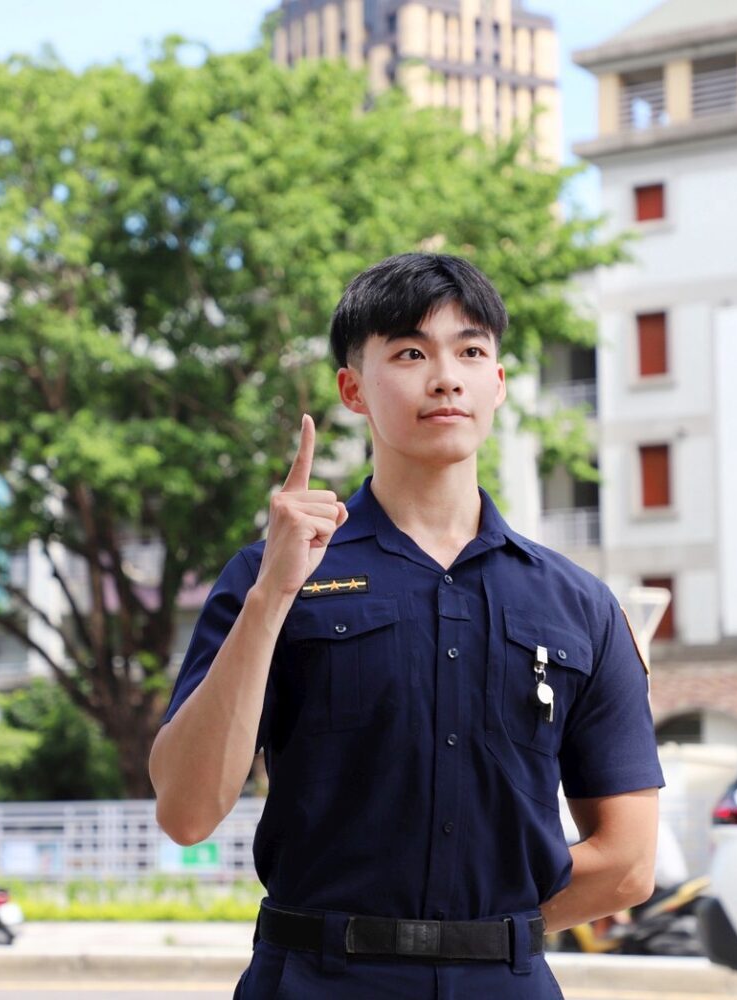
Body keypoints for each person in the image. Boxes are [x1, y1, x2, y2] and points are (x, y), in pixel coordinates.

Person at [150, 253, 665, 999]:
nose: (445, 375)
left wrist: (478, 932)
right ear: (352, 388)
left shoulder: (579, 606)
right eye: (410, 353)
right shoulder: (271, 575)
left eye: (471, 350)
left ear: (499, 383)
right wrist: (272, 597)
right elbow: (187, 812)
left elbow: (628, 864)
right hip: (313, 982)